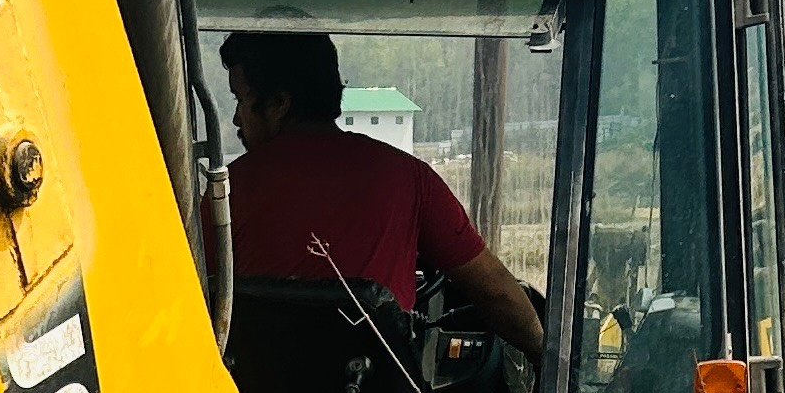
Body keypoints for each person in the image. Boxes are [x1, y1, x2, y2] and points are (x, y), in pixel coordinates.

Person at [218, 30, 544, 358]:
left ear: (278, 104)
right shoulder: (410, 179)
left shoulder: (225, 192)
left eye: (239, 100)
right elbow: (495, 292)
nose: (235, 118)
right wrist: (544, 353)